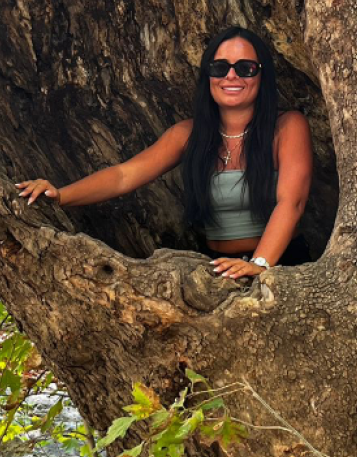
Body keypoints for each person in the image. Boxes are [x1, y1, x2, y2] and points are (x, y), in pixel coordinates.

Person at [16, 26, 313, 279]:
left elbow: (292, 202)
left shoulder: (286, 127)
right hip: (218, 268)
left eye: (245, 68)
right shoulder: (188, 134)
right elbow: (123, 175)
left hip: (279, 267)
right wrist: (60, 195)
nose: (231, 76)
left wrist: (258, 266)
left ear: (262, 76)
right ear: (208, 76)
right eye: (220, 67)